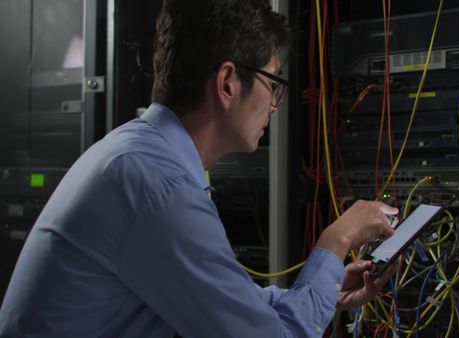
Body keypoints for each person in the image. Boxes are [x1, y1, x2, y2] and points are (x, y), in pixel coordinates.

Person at [0, 0, 399, 337]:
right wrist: (337, 237)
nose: (275, 105)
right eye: (273, 83)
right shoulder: (159, 187)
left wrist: (326, 292)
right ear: (227, 82)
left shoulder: (136, 155)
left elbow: (225, 303)